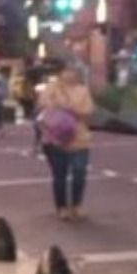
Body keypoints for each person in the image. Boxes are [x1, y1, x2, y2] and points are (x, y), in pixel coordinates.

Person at [38, 63, 94, 221]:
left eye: (73, 71)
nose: (70, 74)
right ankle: (61, 207)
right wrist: (59, 104)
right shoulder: (52, 88)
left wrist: (69, 108)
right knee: (59, 175)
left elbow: (87, 112)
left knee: (79, 173)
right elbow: (44, 105)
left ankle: (76, 205)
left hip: (79, 139)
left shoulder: (83, 91)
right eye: (66, 71)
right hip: (55, 139)